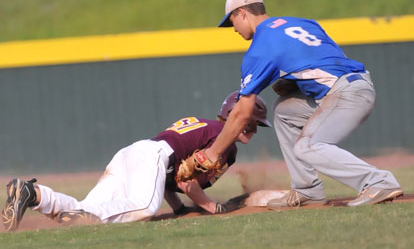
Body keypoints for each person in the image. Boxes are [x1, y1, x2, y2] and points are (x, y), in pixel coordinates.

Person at [176, 0, 403, 208]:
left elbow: (242, 113)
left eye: (231, 21)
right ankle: (307, 189)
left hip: (346, 95)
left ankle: (378, 182)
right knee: (284, 111)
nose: (233, 28)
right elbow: (328, 59)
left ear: (242, 13)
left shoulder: (260, 48)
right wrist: (296, 82)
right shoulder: (303, 23)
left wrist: (212, 153)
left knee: (308, 146)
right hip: (354, 85)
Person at [1, 91, 271, 231]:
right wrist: (213, 207)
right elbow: (186, 182)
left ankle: (34, 194)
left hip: (134, 154)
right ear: (236, 116)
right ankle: (89, 215)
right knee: (144, 207)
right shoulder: (223, 143)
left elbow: (170, 179)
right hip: (153, 157)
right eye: (251, 122)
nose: (254, 129)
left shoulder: (208, 126)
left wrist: (179, 210)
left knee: (86, 209)